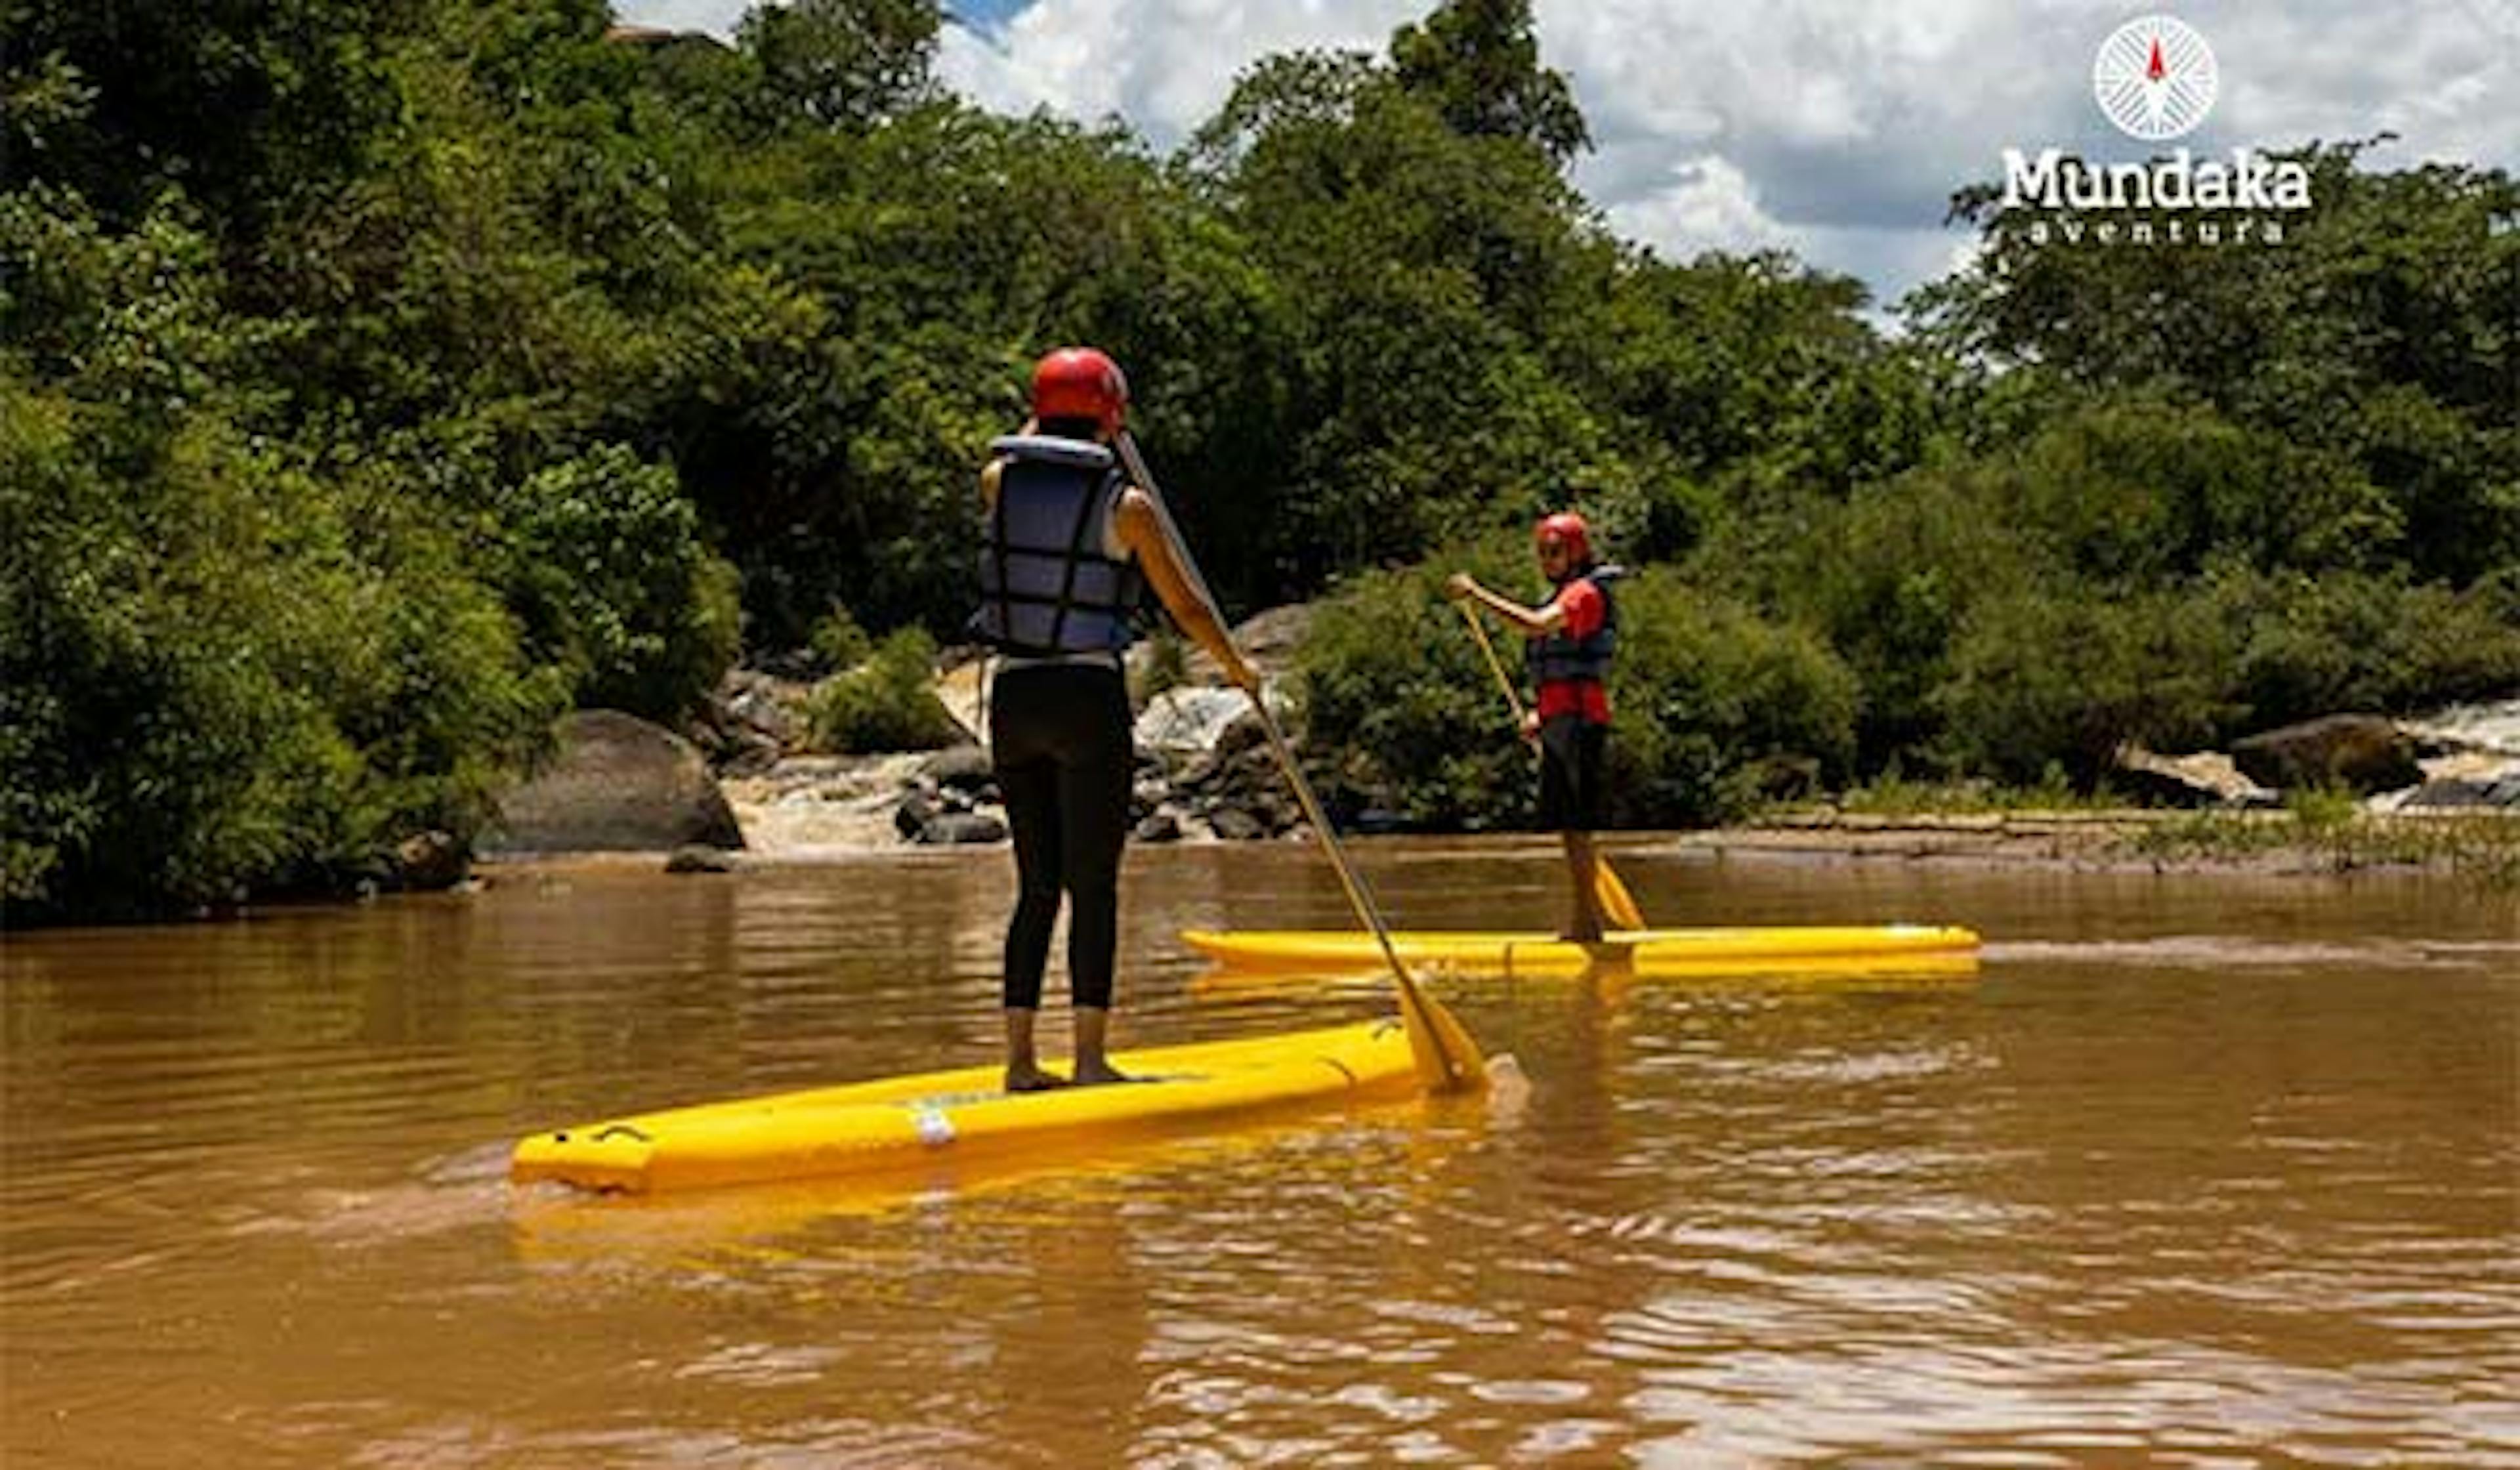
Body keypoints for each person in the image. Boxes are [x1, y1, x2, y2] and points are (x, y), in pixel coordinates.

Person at [972, 346, 1262, 1091]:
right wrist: (1237, 665)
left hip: (1012, 700)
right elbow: (1185, 604)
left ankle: (1019, 1063)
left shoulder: (998, 480)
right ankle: (1093, 1058)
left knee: (1036, 885)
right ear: (1112, 414)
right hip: (1083, 699)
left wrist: (1061, 417)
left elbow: (1023, 452)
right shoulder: (1126, 506)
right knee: (1092, 883)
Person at [1445, 512, 1619, 942]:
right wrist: (1543, 716)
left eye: (1555, 551)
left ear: (1576, 552)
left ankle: (1587, 926)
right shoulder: (1564, 593)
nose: (1547, 559)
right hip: (1563, 720)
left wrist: (1478, 594)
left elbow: (1537, 624)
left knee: (1577, 827)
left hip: (1581, 722)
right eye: (1542, 551)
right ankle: (1586, 921)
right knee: (1567, 826)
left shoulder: (1583, 595)